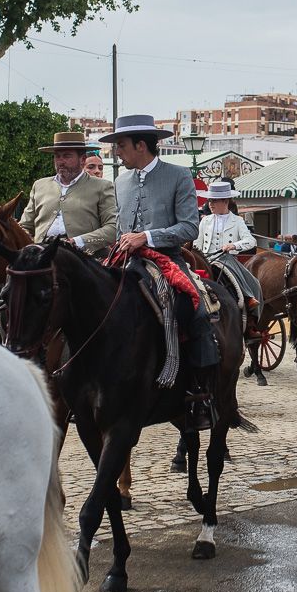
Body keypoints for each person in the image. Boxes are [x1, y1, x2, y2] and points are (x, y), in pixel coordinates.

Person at [104, 115, 219, 428]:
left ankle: (199, 393)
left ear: (142, 145)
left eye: (122, 146)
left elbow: (189, 227)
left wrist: (147, 237)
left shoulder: (178, 176)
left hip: (166, 259)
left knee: (192, 308)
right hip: (125, 260)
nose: (118, 152)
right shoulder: (119, 182)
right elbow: (120, 229)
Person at [19, 131, 119, 254]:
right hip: (42, 256)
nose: (60, 161)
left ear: (82, 160)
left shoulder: (102, 186)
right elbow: (25, 226)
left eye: (66, 156)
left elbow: (113, 228)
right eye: (57, 156)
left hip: (85, 259)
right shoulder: (40, 185)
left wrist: (78, 242)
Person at [195, 180, 261, 309]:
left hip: (226, 259)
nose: (210, 204)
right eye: (210, 201)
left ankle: (248, 297)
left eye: (214, 201)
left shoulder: (237, 221)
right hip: (206, 258)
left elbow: (251, 241)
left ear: (225, 201)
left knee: (251, 281)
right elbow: (198, 243)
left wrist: (234, 245)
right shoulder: (205, 221)